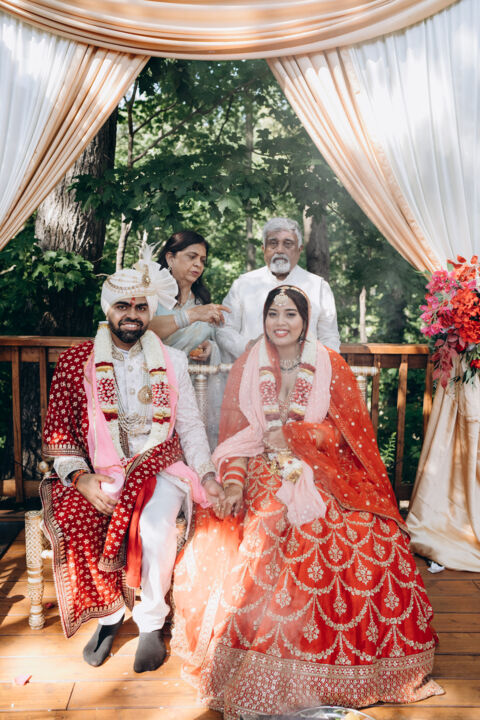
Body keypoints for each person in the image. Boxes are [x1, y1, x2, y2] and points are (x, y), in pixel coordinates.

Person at [172, 285, 442, 718]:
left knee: (365, 534)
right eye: (273, 314)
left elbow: (348, 435)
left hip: (324, 467)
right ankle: (266, 658)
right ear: (263, 319)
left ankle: (342, 668)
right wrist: (235, 484)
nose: (280, 322)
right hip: (262, 464)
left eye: (290, 314)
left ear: (305, 321)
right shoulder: (248, 363)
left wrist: (297, 435)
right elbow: (238, 439)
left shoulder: (330, 363)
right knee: (270, 522)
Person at [40, 251, 226, 674]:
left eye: (141, 307)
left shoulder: (172, 360)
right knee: (76, 514)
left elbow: (190, 426)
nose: (132, 315)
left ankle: (151, 622)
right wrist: (80, 477)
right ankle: (109, 615)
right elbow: (61, 431)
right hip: (101, 470)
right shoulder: (78, 361)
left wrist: (207, 473)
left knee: (155, 525)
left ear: (150, 312)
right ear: (108, 309)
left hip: (161, 465)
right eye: (122, 306)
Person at [216, 217, 340, 361]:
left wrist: (321, 366)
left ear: (299, 250)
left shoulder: (319, 287)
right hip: (251, 368)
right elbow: (224, 330)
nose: (280, 250)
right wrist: (249, 346)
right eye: (273, 243)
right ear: (263, 249)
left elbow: (329, 337)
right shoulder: (243, 284)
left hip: (304, 370)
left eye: (288, 244)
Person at [149, 230, 229, 448]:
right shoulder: (151, 294)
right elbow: (143, 331)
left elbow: (208, 338)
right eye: (191, 256)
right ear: (170, 258)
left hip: (192, 391)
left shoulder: (202, 301)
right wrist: (189, 316)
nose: (198, 264)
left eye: (202, 260)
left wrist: (209, 347)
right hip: (152, 387)